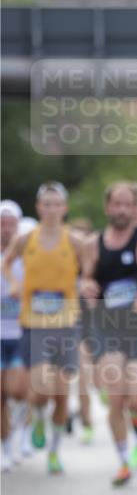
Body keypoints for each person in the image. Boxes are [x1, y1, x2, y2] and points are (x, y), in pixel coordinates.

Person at [81, 182, 137, 486]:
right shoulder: (93, 244)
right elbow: (86, 278)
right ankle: (122, 462)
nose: (120, 210)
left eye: (126, 204)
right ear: (107, 208)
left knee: (136, 399)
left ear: (134, 208)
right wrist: (86, 287)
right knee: (116, 399)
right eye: (115, 204)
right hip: (107, 329)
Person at [2, 183, 86, 475]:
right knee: (39, 391)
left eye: (56, 204)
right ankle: (37, 417)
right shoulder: (26, 240)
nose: (51, 210)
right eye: (46, 204)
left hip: (65, 323)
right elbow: (7, 263)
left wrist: (86, 283)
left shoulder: (75, 242)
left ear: (64, 208)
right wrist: (14, 284)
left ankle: (54, 450)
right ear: (39, 208)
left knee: (62, 395)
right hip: (34, 324)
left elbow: (91, 268)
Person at [1, 201, 29, 469]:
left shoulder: (26, 258)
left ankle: (23, 433)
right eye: (2, 223)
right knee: (1, 394)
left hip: (21, 333)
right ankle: (5, 446)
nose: (6, 228)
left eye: (11, 223)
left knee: (18, 391)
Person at [69, 217, 95, 444]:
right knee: (82, 377)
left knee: (100, 378)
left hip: (100, 326)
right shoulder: (66, 267)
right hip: (75, 325)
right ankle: (86, 421)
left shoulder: (97, 265)